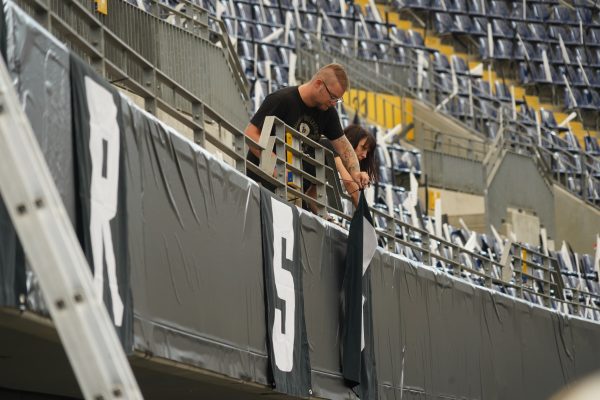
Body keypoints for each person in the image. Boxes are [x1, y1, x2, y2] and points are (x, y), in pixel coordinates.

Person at [244, 63, 370, 192]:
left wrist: (356, 173)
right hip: (261, 184)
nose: (333, 104)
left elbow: (344, 147)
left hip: (292, 190)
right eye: (332, 97)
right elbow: (251, 133)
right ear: (318, 84)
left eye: (337, 100)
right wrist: (278, 167)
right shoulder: (281, 99)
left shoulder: (328, 112)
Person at [318, 124, 378, 209]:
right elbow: (350, 185)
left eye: (367, 152)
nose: (365, 155)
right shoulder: (329, 146)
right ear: (349, 141)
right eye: (363, 148)